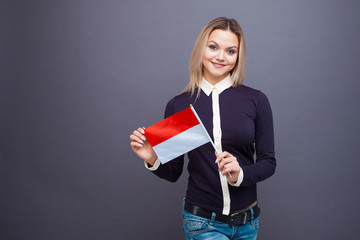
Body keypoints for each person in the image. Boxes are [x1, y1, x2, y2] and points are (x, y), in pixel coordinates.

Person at [130, 17, 276, 240]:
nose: (220, 57)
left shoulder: (256, 100)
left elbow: (268, 162)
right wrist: (152, 158)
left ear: (238, 57)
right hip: (203, 223)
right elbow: (173, 172)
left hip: (248, 223)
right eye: (213, 47)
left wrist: (240, 173)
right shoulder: (179, 105)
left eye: (230, 51)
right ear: (202, 49)